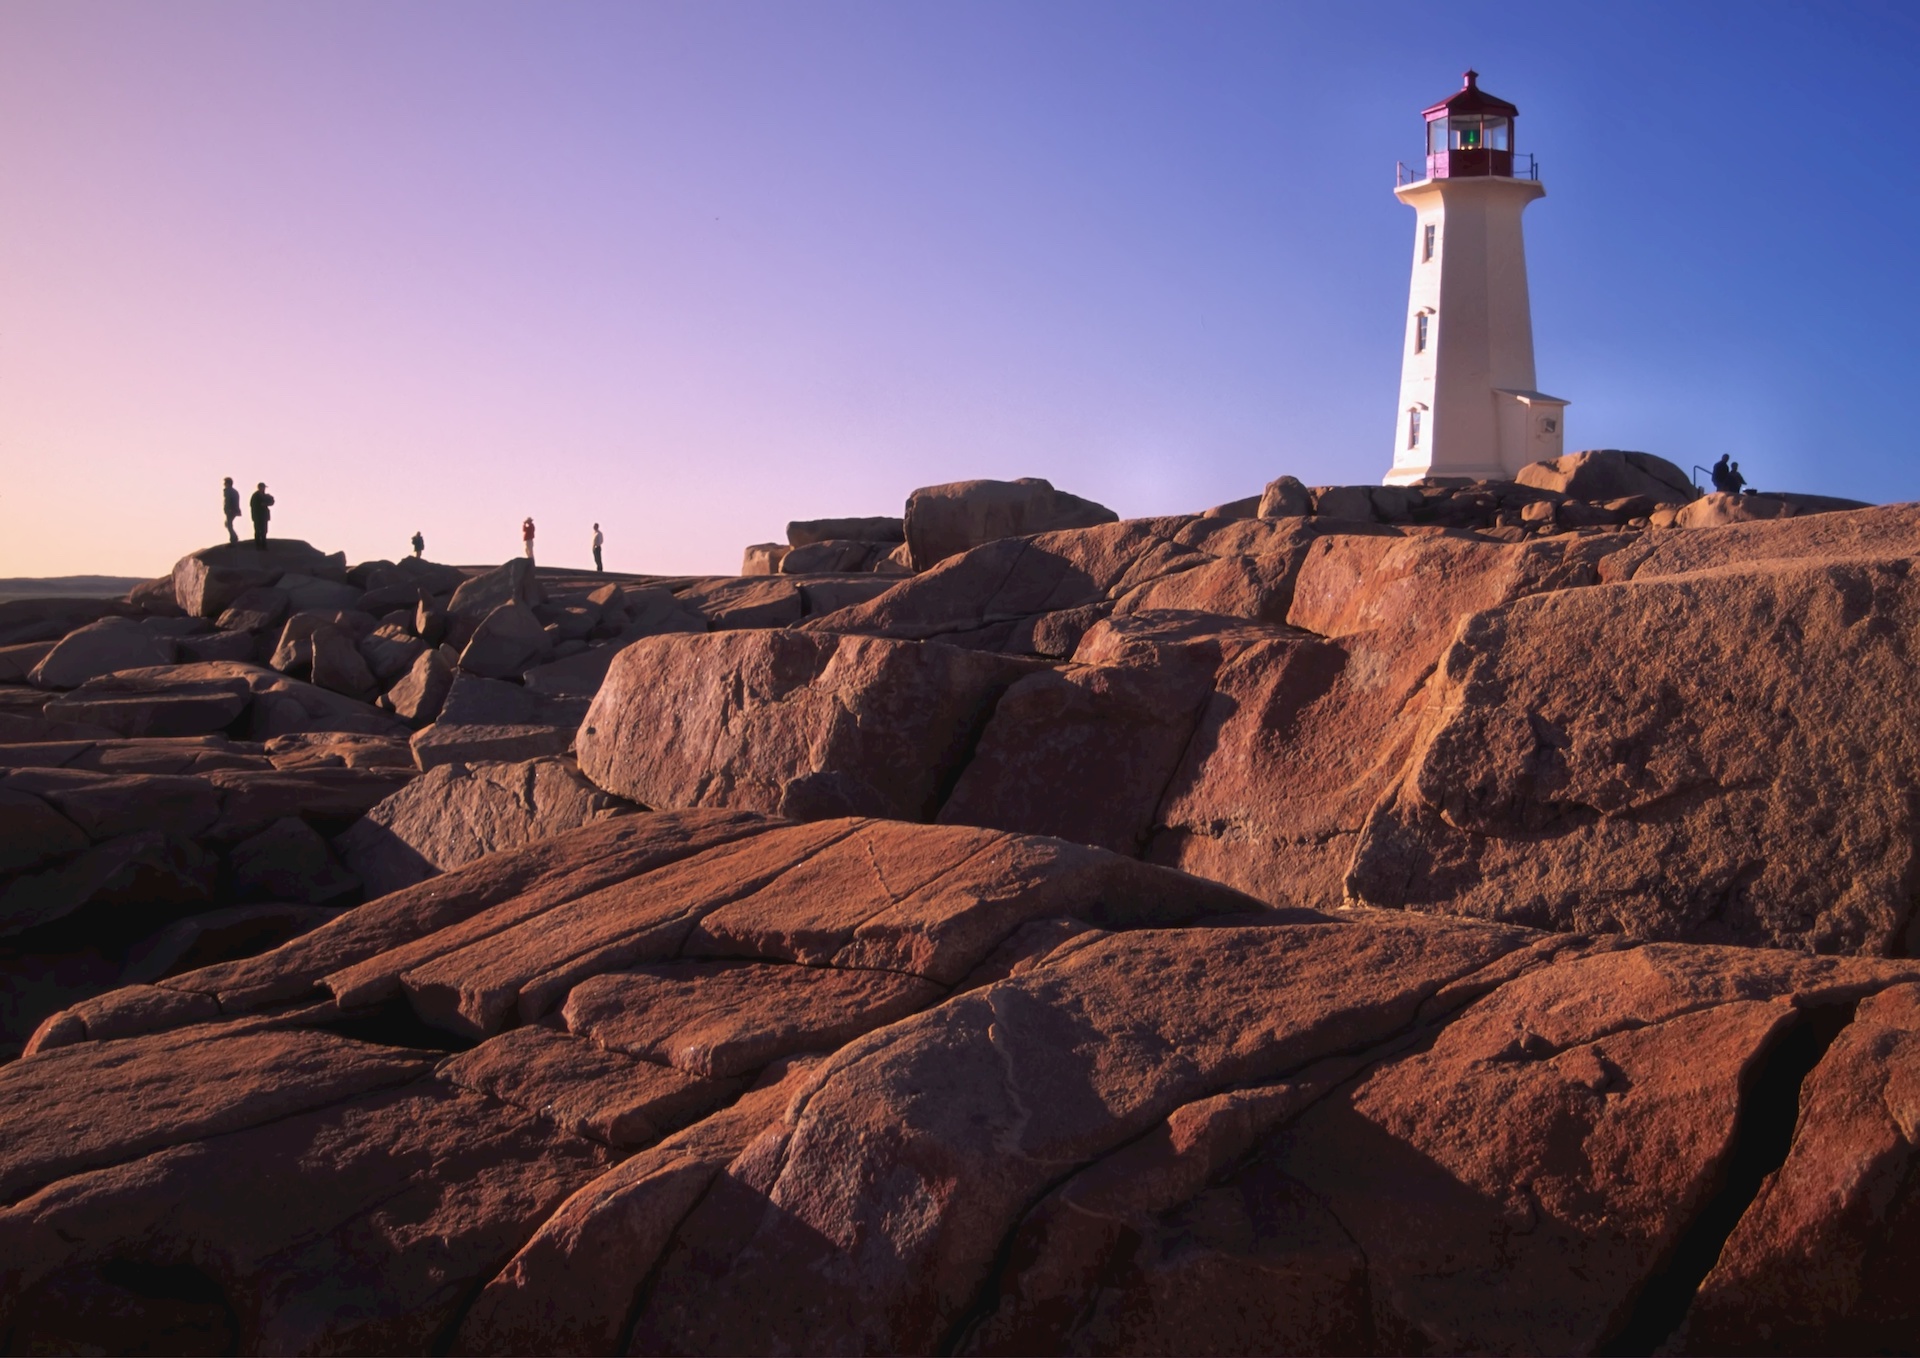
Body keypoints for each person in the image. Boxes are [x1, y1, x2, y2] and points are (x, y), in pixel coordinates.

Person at [249, 482, 274, 550]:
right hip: (257, 516)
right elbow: (252, 506)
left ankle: (263, 545)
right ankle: (258, 545)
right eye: (263, 487)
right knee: (258, 530)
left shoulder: (264, 496)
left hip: (264, 516)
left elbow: (272, 502)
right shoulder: (255, 496)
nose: (264, 489)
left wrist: (265, 503)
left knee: (264, 531)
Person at [221, 477, 241, 545]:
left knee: (228, 524)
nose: (224, 484)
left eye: (225, 482)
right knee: (228, 524)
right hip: (233, 510)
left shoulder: (229, 491)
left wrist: (228, 509)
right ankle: (233, 537)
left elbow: (228, 501)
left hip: (231, 510)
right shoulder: (234, 491)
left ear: (228, 483)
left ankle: (234, 538)